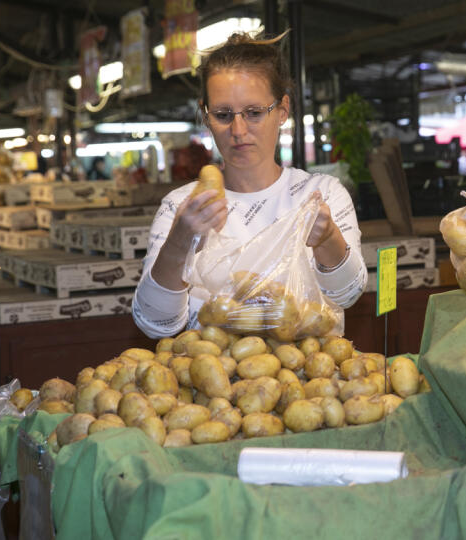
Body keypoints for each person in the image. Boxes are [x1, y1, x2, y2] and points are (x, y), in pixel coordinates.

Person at [133, 31, 367, 338]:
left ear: (282, 110)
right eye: (223, 115)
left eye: (254, 113)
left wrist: (328, 239)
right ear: (205, 115)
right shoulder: (182, 207)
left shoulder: (320, 195)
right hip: (211, 380)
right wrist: (180, 240)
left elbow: (347, 296)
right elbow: (154, 323)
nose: (238, 130)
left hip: (308, 382)